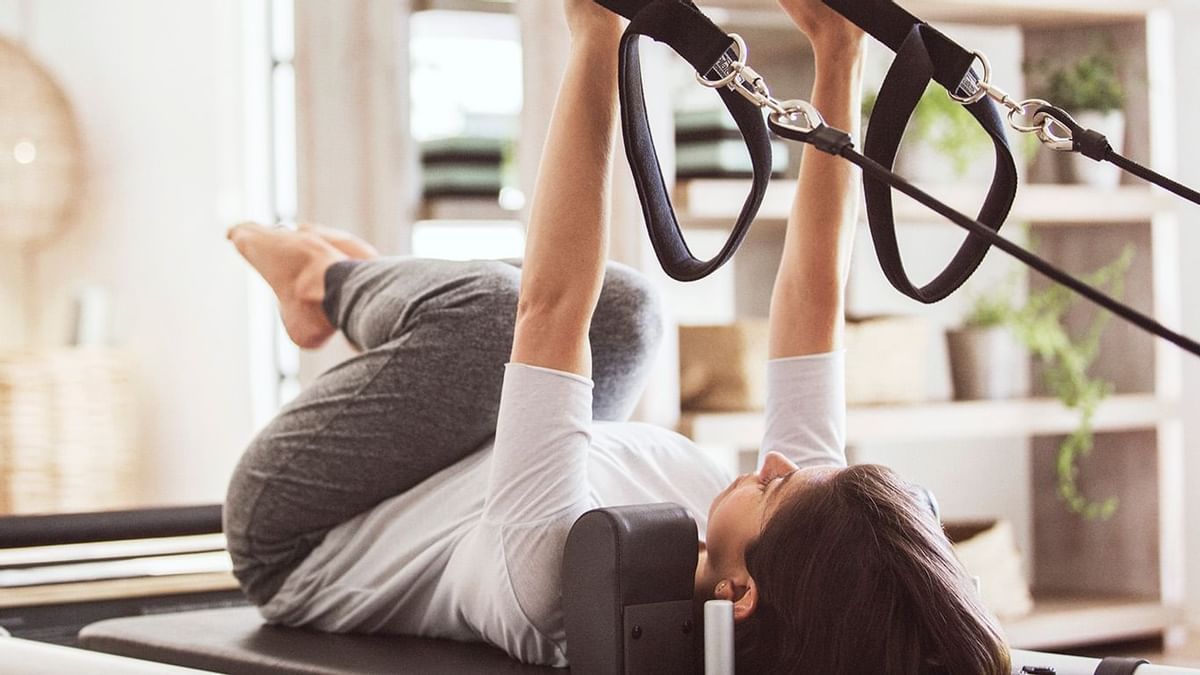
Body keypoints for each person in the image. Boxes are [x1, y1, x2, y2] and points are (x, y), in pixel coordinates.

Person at [222, 0, 1010, 672]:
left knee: (504, 313)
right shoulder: (804, 544)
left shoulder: (558, 577)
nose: (774, 464)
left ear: (741, 595)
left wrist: (593, 33)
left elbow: (549, 306)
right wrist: (839, 51)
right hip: (458, 477)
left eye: (774, 485)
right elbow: (813, 300)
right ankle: (369, 291)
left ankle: (317, 282)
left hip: (304, 527)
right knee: (630, 314)